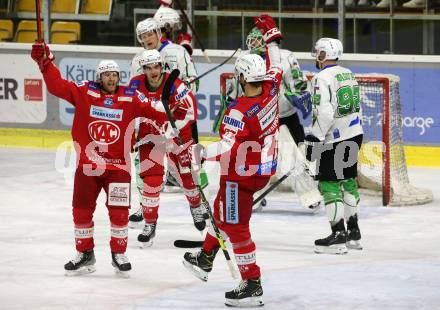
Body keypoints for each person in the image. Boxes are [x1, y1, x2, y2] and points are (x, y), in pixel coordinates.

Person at [30, 43, 173, 276]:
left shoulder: (130, 96)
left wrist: (171, 109)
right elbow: (58, 86)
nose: (111, 78)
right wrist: (45, 63)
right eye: (107, 74)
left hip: (118, 167)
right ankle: (85, 254)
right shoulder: (85, 92)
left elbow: (154, 109)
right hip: (88, 166)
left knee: (118, 212)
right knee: (81, 210)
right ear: (99, 77)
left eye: (114, 74)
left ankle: (119, 254)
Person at [182, 14, 283, 307]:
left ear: (240, 77)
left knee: (236, 226)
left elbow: (226, 148)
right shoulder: (272, 89)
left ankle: (252, 282)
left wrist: (199, 154)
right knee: (220, 210)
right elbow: (276, 64)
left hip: (240, 174)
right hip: (262, 169)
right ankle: (205, 257)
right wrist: (271, 33)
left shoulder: (238, 111)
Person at [223, 27, 322, 210]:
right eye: (251, 40)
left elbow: (297, 81)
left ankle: (310, 195)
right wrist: (229, 100)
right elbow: (237, 85)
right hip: (256, 118)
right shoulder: (244, 58)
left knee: (293, 158)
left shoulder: (284, 56)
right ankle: (255, 197)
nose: (253, 44)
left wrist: (299, 94)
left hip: (284, 117)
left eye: (257, 39)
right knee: (254, 157)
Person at [128, 49, 206, 247]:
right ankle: (150, 223)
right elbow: (129, 110)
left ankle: (196, 207)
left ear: (163, 66)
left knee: (188, 177)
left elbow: (191, 111)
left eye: (156, 66)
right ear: (142, 69)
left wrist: (175, 129)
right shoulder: (135, 84)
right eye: (148, 67)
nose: (153, 71)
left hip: (178, 134)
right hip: (151, 135)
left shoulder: (175, 84)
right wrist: (130, 132)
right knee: (151, 181)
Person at [129, 17, 199, 226]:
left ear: (159, 33)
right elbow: (135, 93)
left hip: (177, 121)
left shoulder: (178, 52)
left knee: (189, 168)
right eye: (143, 36)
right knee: (145, 168)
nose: (147, 38)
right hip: (150, 125)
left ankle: (197, 205)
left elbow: (193, 82)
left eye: (150, 33)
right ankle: (145, 205)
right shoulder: (136, 60)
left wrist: (175, 99)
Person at [306, 37, 363, 254]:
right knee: (348, 181)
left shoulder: (321, 77)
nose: (316, 56)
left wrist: (316, 137)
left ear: (323, 55)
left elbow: (325, 112)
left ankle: (338, 236)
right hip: (354, 134)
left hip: (334, 138)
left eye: (318, 52)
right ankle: (353, 233)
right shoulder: (348, 73)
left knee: (329, 185)